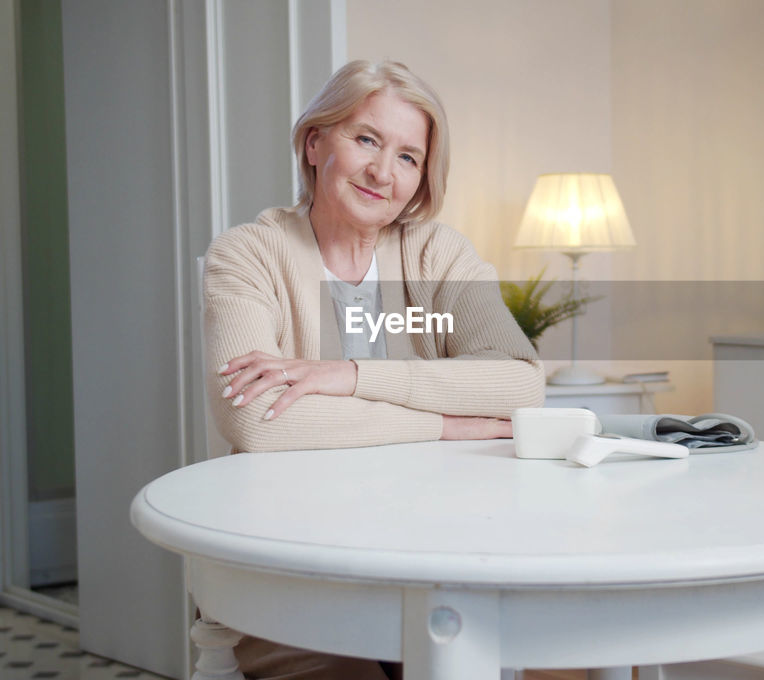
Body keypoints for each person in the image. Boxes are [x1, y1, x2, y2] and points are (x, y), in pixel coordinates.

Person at [200, 60, 545, 679]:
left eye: (409, 157)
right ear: (314, 142)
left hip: (437, 560)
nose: (384, 172)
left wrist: (351, 375)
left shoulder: (437, 252)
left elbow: (520, 381)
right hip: (295, 571)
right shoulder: (248, 254)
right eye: (366, 139)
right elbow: (256, 421)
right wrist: (446, 424)